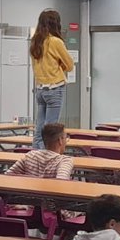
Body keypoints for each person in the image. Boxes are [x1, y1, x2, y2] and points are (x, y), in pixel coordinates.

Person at [30, 9, 74, 149]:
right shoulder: (55, 41)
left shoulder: (35, 41)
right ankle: (46, 158)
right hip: (55, 88)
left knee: (39, 127)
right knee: (50, 129)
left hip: (40, 89)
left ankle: (36, 154)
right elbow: (70, 65)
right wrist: (60, 65)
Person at [7, 123, 74, 179]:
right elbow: (61, 183)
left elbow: (8, 175)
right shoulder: (64, 161)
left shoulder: (29, 156)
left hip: (26, 194)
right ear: (60, 140)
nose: (66, 141)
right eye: (66, 138)